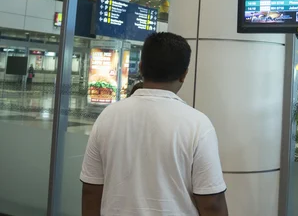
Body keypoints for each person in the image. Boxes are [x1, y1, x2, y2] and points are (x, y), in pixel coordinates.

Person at [80, 33, 228, 216]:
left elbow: (91, 190)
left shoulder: (107, 117)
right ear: (184, 74)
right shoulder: (198, 125)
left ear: (141, 68)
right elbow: (212, 203)